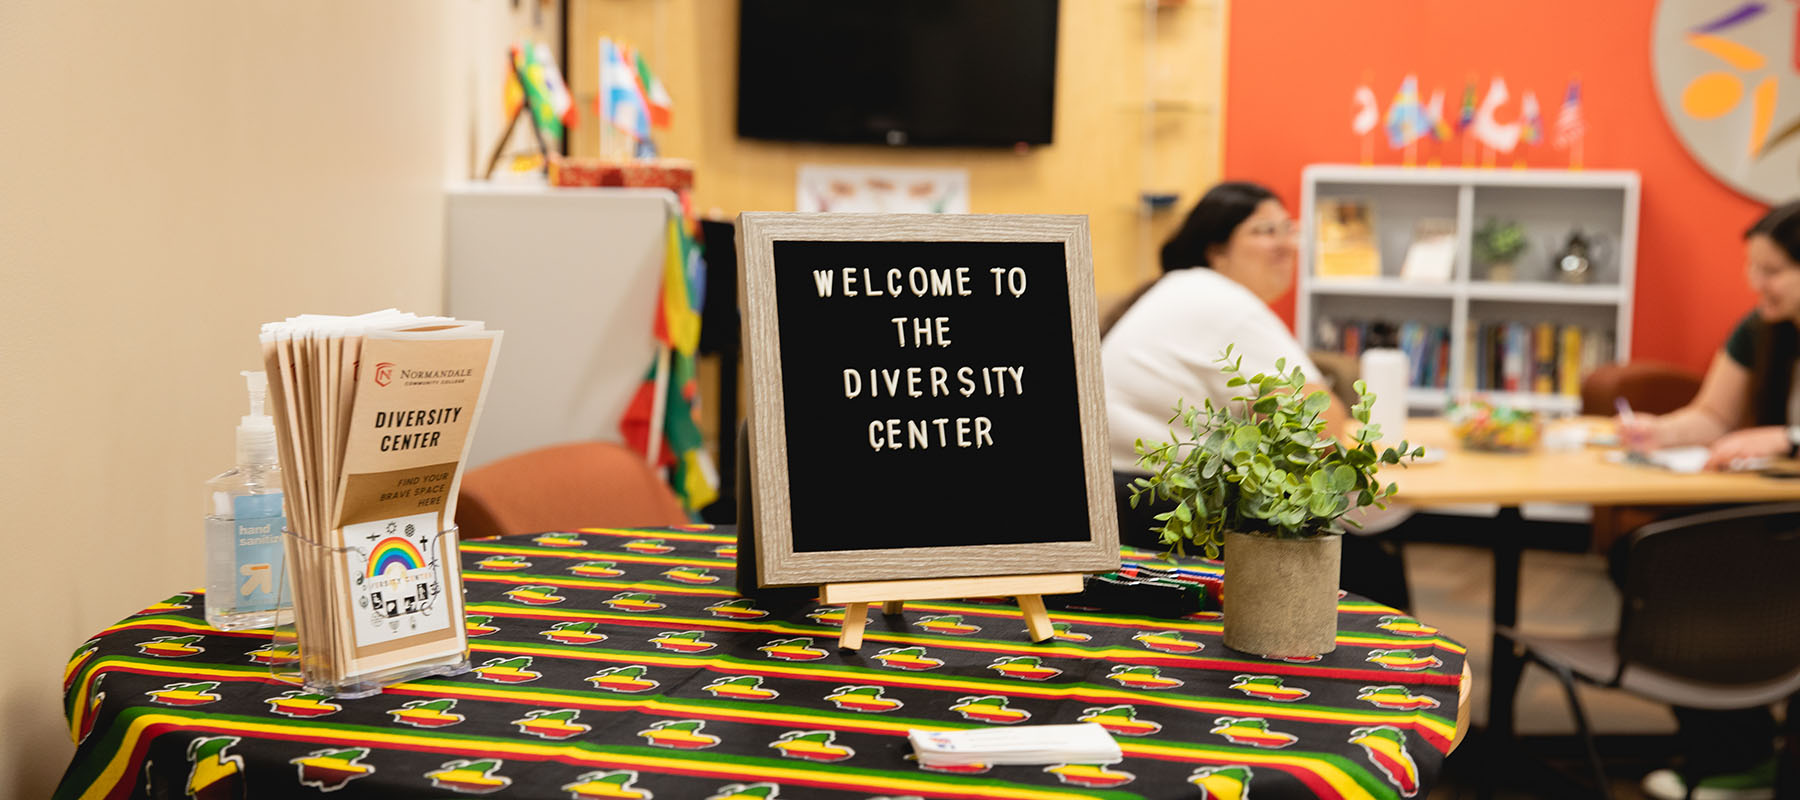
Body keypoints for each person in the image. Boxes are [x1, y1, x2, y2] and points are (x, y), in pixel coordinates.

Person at [1101, 182, 1412, 609]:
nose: (1285, 244)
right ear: (1216, 248)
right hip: (1160, 512)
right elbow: (1320, 424)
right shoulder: (1221, 299)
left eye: (1289, 229)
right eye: (1265, 231)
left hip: (1117, 505)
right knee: (1370, 570)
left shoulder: (1182, 288)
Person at [1615, 200, 1800, 800]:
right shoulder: (1760, 330)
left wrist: (1787, 437)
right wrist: (1657, 431)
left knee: (1688, 577)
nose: (1757, 284)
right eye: (1753, 268)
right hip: (1773, 514)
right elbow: (1712, 414)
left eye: (1772, 271)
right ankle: (1738, 750)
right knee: (1646, 558)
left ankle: (1741, 750)